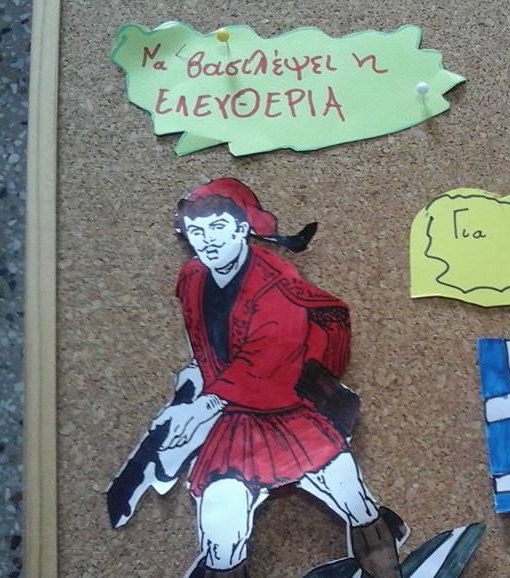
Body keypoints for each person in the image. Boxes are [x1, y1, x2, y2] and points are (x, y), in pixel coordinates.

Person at [151, 178, 405, 578]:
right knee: (220, 515)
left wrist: (203, 408)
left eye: (217, 227)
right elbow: (207, 345)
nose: (207, 240)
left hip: (287, 408)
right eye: (195, 231)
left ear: (242, 228)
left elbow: (266, 357)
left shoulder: (277, 283)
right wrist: (195, 386)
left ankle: (384, 565)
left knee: (349, 494)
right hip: (237, 421)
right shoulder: (192, 278)